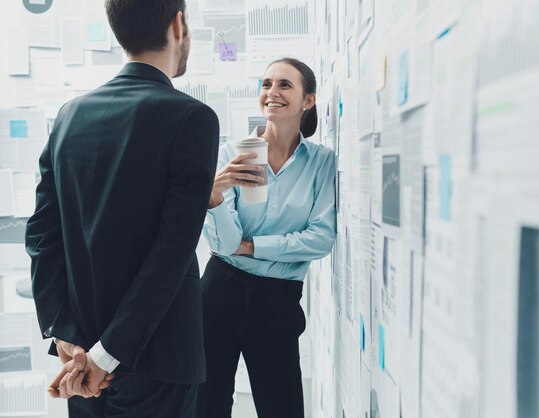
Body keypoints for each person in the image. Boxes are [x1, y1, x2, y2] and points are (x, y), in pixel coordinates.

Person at [24, 0, 220, 416]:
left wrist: (68, 337)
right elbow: (171, 254)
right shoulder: (193, 118)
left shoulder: (69, 116)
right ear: (179, 25)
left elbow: (42, 236)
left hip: (80, 362)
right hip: (158, 362)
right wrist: (104, 354)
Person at [195, 57, 337, 418]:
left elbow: (320, 238)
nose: (272, 93)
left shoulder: (321, 163)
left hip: (277, 302)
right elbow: (226, 245)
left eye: (285, 85)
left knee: (284, 409)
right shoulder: (234, 154)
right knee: (206, 408)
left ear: (308, 100)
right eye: (266, 84)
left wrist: (254, 246)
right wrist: (213, 196)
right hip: (219, 293)